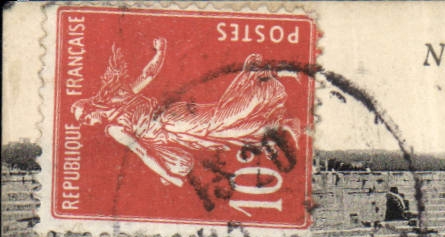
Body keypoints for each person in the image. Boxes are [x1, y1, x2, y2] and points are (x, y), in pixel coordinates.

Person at [71, 38, 289, 188]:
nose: (89, 123)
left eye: (86, 117)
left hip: (171, 121)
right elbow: (145, 150)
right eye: (85, 122)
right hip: (173, 128)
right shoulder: (117, 110)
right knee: (221, 131)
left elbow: (148, 76)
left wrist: (169, 177)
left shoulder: (116, 118)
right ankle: (264, 129)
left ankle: (263, 86)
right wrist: (161, 52)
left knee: (218, 121)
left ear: (92, 107)